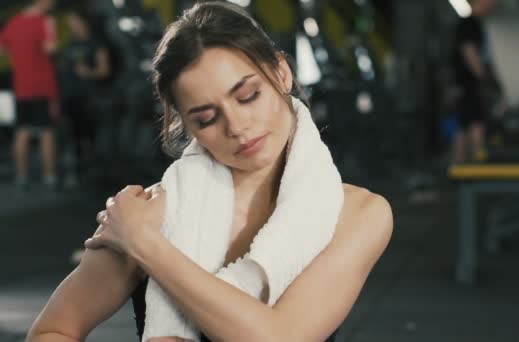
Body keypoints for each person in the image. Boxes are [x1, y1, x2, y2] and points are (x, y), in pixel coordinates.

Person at [26, 2, 393, 342]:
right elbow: (53, 330)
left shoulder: (358, 214)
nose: (237, 126)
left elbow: (280, 337)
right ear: (182, 122)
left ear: (281, 74)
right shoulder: (153, 210)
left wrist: (145, 245)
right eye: (206, 117)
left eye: (248, 96)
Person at [0, 0, 60, 190]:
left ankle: (21, 177)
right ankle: (49, 177)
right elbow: (50, 48)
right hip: (42, 86)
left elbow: (2, 50)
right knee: (46, 132)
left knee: (22, 131)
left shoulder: (13, 22)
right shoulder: (45, 21)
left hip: (21, 86)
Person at [59, 10, 111, 185]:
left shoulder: (96, 43)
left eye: (74, 21)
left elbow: (104, 70)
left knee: (90, 137)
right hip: (70, 97)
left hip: (88, 97)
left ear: (83, 22)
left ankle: (94, 175)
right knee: (73, 137)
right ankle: (76, 174)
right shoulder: (70, 44)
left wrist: (89, 73)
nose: (72, 26)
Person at [451, 0, 503, 162]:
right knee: (476, 124)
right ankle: (475, 169)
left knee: (464, 126)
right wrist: (485, 79)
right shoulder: (469, 24)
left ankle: (460, 168)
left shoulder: (474, 24)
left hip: (466, 84)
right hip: (470, 85)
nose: (494, 7)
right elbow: (470, 53)